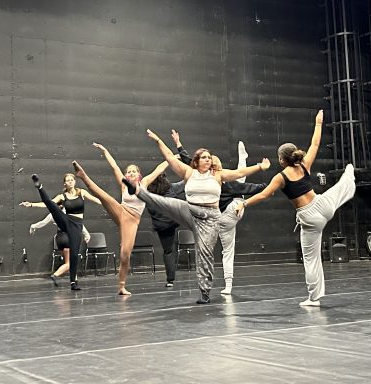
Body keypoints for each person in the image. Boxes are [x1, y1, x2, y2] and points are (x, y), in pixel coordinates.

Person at [125, 129, 270, 304]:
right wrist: (158, 141)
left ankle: (205, 292)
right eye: (204, 157)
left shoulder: (218, 175)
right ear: (197, 160)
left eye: (209, 157)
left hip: (210, 218)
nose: (208, 159)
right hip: (190, 210)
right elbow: (171, 158)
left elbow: (239, 174)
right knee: (165, 203)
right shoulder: (189, 172)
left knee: (204, 254)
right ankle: (138, 191)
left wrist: (260, 167)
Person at [235, 110, 356, 307]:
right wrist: (318, 123)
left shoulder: (281, 177)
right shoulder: (304, 165)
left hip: (309, 217)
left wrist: (244, 203)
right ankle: (349, 178)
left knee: (311, 259)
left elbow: (265, 194)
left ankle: (313, 298)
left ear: (282, 160)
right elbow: (315, 144)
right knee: (338, 190)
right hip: (322, 206)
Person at [171, 130, 267, 295]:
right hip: (228, 213)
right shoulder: (220, 180)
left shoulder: (207, 177)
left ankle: (227, 285)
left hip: (225, 214)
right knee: (240, 183)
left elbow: (190, 161)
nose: (208, 162)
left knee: (225, 250)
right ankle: (242, 160)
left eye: (210, 161)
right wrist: (269, 186)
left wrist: (179, 145)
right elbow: (245, 183)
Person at [70, 144, 166, 296]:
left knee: (125, 254)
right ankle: (83, 176)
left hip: (132, 220)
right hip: (120, 211)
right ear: (126, 175)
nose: (131, 173)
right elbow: (114, 166)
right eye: (128, 172)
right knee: (103, 196)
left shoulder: (145, 183)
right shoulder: (124, 184)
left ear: (139, 174)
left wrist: (172, 158)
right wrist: (105, 151)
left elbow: (159, 169)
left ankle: (121, 286)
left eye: (134, 171)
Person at [20, 173, 98, 287]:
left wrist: (109, 204)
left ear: (75, 181)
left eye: (72, 179)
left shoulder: (81, 193)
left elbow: (96, 199)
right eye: (68, 180)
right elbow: (49, 204)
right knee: (52, 206)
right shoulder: (63, 200)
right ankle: (40, 187)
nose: (70, 181)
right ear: (65, 183)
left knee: (74, 256)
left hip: (70, 230)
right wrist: (31, 204)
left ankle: (73, 282)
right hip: (66, 227)